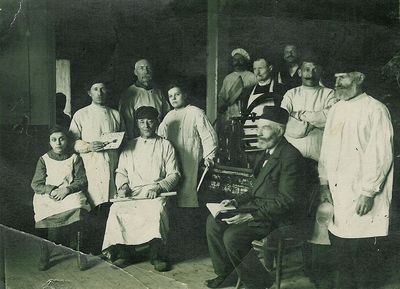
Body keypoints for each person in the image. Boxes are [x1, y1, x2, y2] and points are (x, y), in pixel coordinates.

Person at [205, 106, 306, 289]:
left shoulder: (290, 156)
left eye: (264, 128)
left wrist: (251, 216)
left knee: (232, 237)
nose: (258, 133)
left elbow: (287, 201)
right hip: (258, 208)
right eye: (257, 127)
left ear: (280, 131)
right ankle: (227, 273)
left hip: (277, 217)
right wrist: (235, 202)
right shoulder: (266, 152)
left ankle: (258, 283)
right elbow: (254, 190)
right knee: (213, 222)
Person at [318, 65, 393, 289]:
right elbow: (325, 150)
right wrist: (324, 183)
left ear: (359, 78)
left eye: (343, 77)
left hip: (362, 195)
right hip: (338, 195)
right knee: (340, 252)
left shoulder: (375, 109)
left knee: (361, 257)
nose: (337, 82)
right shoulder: (335, 109)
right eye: (335, 77)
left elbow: (381, 154)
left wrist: (368, 192)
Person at [102, 106, 180, 271]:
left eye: (150, 121)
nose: (146, 125)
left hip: (155, 193)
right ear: (137, 124)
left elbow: (174, 174)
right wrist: (123, 186)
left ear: (156, 122)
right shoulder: (130, 145)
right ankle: (124, 254)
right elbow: (121, 171)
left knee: (157, 210)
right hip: (133, 193)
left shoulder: (165, 145)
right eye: (142, 121)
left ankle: (157, 256)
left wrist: (159, 187)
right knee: (116, 209)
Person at [69, 79, 125, 254]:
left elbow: (123, 140)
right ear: (89, 93)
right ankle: (89, 249)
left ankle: (108, 247)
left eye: (103, 89)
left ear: (107, 92)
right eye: (95, 89)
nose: (99, 93)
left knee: (109, 206)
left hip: (111, 164)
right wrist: (88, 146)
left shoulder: (115, 114)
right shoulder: (81, 114)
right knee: (92, 206)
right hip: (90, 165)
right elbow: (73, 141)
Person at [31, 125, 90, 271]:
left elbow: (81, 180)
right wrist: (51, 190)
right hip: (48, 195)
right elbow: (36, 184)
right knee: (44, 211)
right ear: (49, 142)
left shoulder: (74, 158)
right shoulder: (44, 159)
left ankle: (79, 252)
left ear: (67, 141)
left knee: (78, 206)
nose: (58, 143)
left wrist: (67, 189)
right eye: (54, 139)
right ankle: (45, 253)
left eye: (61, 139)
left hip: (69, 193)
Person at [158, 81, 218, 208]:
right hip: (172, 160)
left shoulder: (195, 112)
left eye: (177, 94)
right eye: (170, 96)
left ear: (184, 95)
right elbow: (160, 138)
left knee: (188, 194)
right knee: (172, 195)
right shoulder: (168, 116)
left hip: (190, 161)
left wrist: (209, 157)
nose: (173, 98)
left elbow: (208, 136)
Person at [281, 57, 337, 161]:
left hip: (320, 154)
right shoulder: (291, 94)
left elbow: (331, 117)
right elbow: (283, 120)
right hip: (293, 156)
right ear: (299, 72)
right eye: (307, 70)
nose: (310, 74)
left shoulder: (329, 93)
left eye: (315, 70)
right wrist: (314, 123)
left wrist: (298, 115)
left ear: (321, 72)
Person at [241, 57, 285, 153]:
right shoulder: (248, 91)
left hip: (272, 139)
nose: (257, 72)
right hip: (250, 138)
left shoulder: (280, 89)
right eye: (255, 69)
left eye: (261, 68)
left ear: (270, 68)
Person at [119, 59, 170, 139]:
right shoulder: (129, 93)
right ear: (135, 72)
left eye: (148, 68)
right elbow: (127, 123)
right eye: (141, 68)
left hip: (159, 138)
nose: (146, 71)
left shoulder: (158, 92)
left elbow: (167, 115)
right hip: (139, 141)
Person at [217, 48, 257, 120]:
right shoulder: (228, 78)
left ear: (245, 61)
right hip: (231, 115)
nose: (237, 62)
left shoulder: (252, 77)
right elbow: (222, 96)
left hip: (247, 115)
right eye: (235, 60)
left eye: (240, 60)